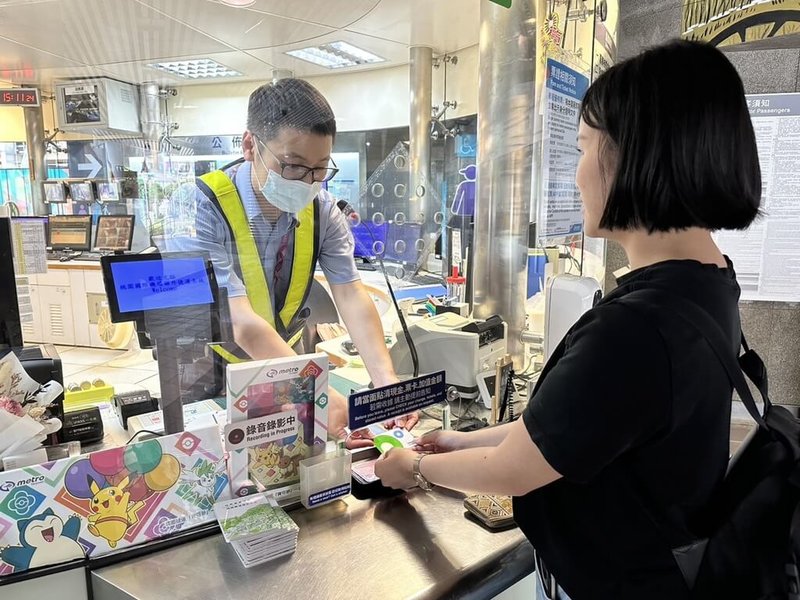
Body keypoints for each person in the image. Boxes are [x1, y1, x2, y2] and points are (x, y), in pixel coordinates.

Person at [375, 39, 761, 599]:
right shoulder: (707, 280)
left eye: (582, 147)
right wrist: (461, 441)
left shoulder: (634, 328)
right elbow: (573, 431)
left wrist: (411, 467)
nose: (576, 173)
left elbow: (516, 471)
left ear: (637, 155)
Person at [162, 79, 418, 444]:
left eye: (320, 169)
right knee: (217, 469)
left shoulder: (323, 209)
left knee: (294, 461)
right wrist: (316, 390)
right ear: (251, 145)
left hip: (288, 359)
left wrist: (386, 384)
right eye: (293, 166)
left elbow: (350, 293)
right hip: (212, 371)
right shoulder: (198, 205)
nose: (307, 181)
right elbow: (239, 320)